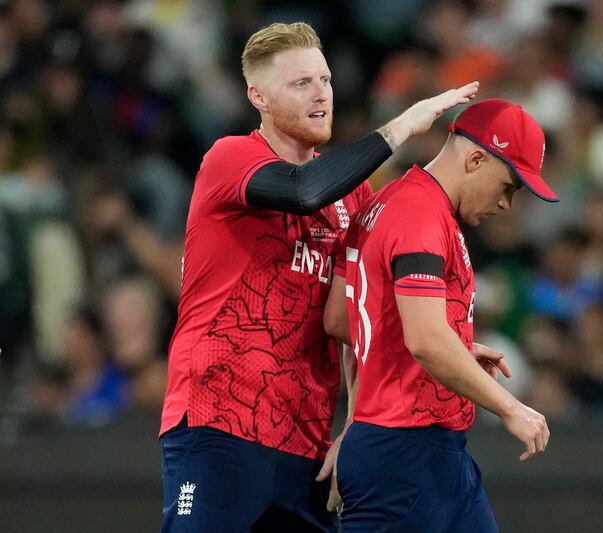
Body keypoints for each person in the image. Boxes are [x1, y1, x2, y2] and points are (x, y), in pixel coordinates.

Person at [158, 21, 479, 533]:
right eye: (300, 83)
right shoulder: (230, 158)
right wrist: (399, 129)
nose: (321, 94)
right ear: (257, 95)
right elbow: (305, 191)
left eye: (325, 80)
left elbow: (358, 319)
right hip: (219, 423)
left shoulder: (356, 198)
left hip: (308, 439)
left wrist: (356, 422)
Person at [323, 98, 555, 532]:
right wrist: (510, 408)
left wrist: (458, 351)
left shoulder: (387, 200)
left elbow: (342, 318)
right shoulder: (421, 216)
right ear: (476, 159)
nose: (507, 204)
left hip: (422, 449)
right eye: (509, 186)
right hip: (405, 451)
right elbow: (426, 340)